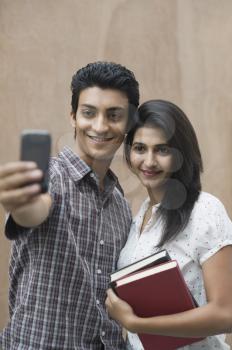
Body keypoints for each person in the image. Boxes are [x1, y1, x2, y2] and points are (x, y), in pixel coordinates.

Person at [0, 61, 140, 349]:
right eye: (89, 113)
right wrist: (22, 204)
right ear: (74, 117)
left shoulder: (121, 206)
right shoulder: (49, 179)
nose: (100, 126)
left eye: (114, 115)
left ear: (129, 124)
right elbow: (32, 211)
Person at [106, 99, 232, 349]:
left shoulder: (204, 209)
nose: (149, 162)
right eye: (140, 148)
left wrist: (137, 323)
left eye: (162, 150)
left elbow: (226, 314)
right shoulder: (137, 219)